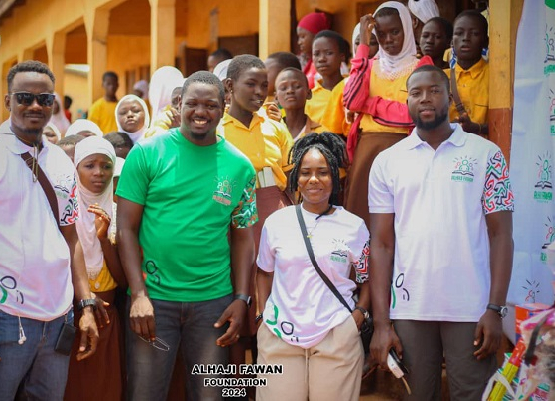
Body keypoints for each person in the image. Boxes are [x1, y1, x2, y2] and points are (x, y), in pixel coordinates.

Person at [0, 60, 99, 400]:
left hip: (60, 316)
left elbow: (71, 237)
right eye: (24, 97)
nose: (35, 105)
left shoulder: (62, 161)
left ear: (54, 104)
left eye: (44, 99)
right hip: (4, 317)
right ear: (7, 102)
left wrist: (86, 305)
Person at [368, 65, 514, 400]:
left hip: (472, 309)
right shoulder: (388, 162)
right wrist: (381, 323)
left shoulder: (485, 153)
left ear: (449, 96)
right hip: (409, 309)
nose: (425, 98)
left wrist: (495, 309)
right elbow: (382, 244)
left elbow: (501, 236)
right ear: (407, 102)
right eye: (415, 93)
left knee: (474, 395)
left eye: (433, 90)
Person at [116, 71, 257, 401]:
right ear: (178, 104)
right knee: (144, 394)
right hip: (153, 302)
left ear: (223, 106)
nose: (200, 111)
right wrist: (138, 294)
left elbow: (242, 237)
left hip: (214, 305)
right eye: (192, 103)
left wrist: (241, 298)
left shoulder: (241, 167)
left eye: (210, 104)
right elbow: (125, 229)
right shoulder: (147, 154)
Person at [256, 132, 369, 400]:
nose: (314, 179)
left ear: (335, 177)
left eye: (323, 172)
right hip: (279, 334)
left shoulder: (354, 226)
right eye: (305, 172)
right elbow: (263, 272)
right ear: (296, 177)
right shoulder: (276, 222)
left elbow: (368, 278)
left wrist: (359, 315)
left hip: (336, 334)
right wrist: (262, 316)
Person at [342, 1, 432, 226]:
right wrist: (363, 45)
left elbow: (414, 114)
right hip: (368, 152)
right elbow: (352, 101)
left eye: (395, 31)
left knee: (402, 221)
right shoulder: (369, 65)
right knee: (362, 221)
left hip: (407, 148)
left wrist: (369, 105)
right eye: (381, 34)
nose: (388, 39)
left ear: (407, 30)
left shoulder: (421, 66)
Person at [64, 136, 125, 401]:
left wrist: (103, 238)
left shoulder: (119, 212)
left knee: (105, 387)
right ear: (76, 169)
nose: (99, 172)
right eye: (90, 165)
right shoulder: (65, 212)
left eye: (106, 165)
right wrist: (84, 299)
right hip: (71, 315)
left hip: (108, 318)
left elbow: (124, 281)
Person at [449, 10, 490, 136]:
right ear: (452, 41)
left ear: (485, 41)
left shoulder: (496, 77)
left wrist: (477, 128)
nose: (465, 38)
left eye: (474, 33)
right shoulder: (441, 78)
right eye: (459, 33)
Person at [305, 30, 348, 126]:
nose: (321, 59)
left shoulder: (351, 87)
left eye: (329, 53)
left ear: (342, 56)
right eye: (316, 54)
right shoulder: (310, 98)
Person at [275, 67, 322, 139]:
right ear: (276, 98)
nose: (290, 91)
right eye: (283, 88)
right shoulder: (270, 132)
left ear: (309, 93)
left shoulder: (320, 134)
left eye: (297, 86)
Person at [297, 12, 331, 89]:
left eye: (303, 37)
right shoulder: (310, 63)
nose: (299, 42)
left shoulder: (329, 65)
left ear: (316, 35)